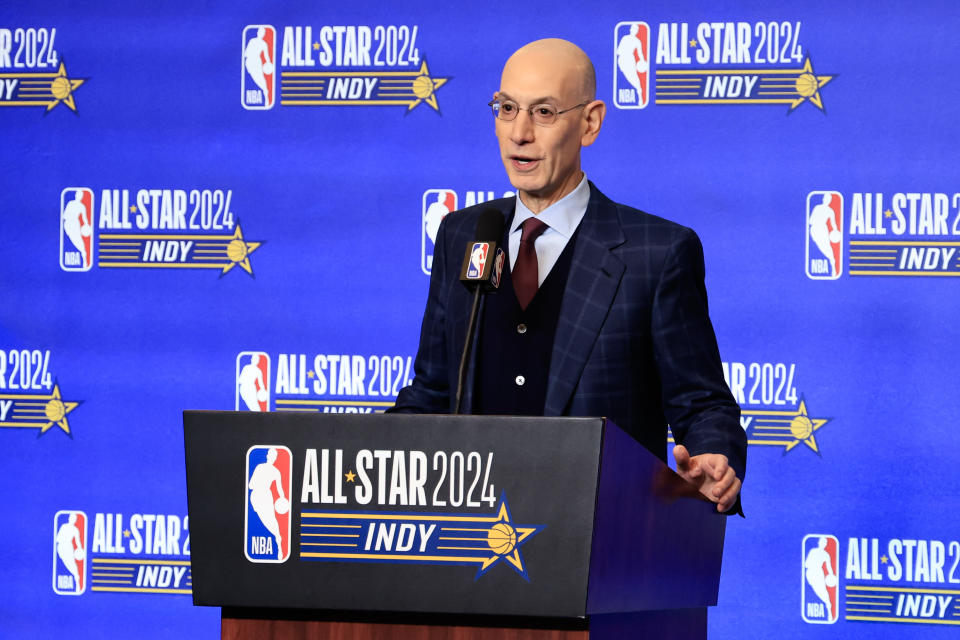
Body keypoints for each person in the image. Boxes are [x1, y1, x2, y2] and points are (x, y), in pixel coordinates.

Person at [391, 38, 745, 513]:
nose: (519, 133)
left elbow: (702, 405)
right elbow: (433, 390)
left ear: (590, 123)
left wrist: (713, 459)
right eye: (507, 108)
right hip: (467, 541)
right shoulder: (463, 234)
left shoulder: (656, 253)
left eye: (543, 113)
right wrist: (353, 459)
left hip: (598, 542)